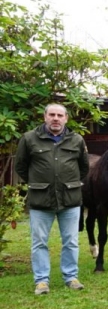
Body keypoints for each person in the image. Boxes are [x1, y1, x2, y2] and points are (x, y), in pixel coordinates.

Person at [15, 104, 89, 295]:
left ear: (66, 118)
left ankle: (71, 277)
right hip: (41, 200)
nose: (56, 118)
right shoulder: (29, 138)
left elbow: (83, 168)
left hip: (70, 199)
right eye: (52, 115)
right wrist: (38, 183)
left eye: (60, 115)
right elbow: (21, 167)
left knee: (71, 241)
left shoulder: (76, 140)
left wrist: (68, 183)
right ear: (45, 117)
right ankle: (41, 281)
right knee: (39, 242)